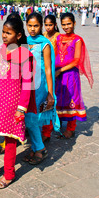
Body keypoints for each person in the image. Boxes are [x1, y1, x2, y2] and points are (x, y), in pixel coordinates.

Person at [0, 15, 36, 189]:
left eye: (8, 33)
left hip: (14, 103)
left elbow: (27, 84)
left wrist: (21, 108)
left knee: (10, 140)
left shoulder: (25, 55)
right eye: (3, 32)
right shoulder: (4, 49)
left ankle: (9, 174)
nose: (4, 36)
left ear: (18, 36)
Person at [23, 13, 59, 165]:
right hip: (25, 86)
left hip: (39, 87)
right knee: (28, 118)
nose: (32, 29)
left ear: (41, 26)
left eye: (36, 26)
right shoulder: (24, 41)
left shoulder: (44, 44)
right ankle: (37, 146)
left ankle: (40, 149)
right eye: (30, 26)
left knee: (32, 118)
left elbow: (49, 70)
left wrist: (50, 94)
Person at [55, 13, 94, 139]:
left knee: (72, 99)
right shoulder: (58, 38)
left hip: (70, 74)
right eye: (64, 24)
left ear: (74, 23)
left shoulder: (77, 39)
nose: (66, 27)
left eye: (68, 24)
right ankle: (58, 123)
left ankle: (71, 128)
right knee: (58, 98)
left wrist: (61, 70)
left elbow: (77, 60)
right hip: (57, 74)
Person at [41, 14, 61, 142]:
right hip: (43, 70)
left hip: (55, 70)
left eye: (50, 25)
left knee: (52, 98)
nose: (48, 27)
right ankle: (44, 127)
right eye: (46, 25)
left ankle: (48, 129)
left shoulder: (59, 37)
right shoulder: (42, 35)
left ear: (55, 25)